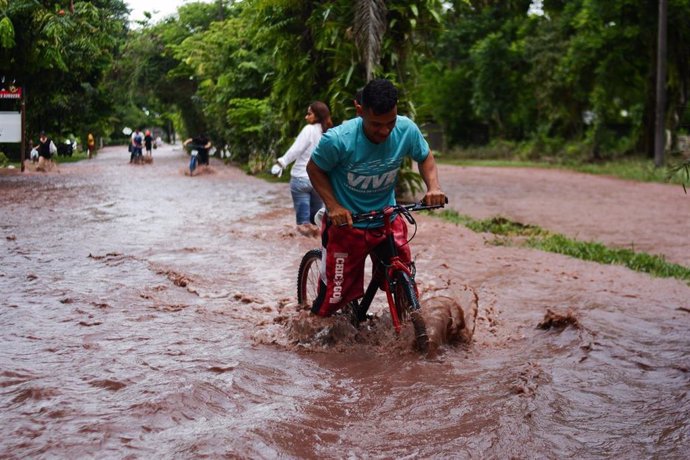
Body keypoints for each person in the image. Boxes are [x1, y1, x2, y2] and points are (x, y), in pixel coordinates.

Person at [306, 78, 446, 317]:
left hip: (386, 220)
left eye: (390, 123)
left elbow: (425, 156)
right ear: (360, 110)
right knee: (333, 299)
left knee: (405, 284)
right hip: (347, 225)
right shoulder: (338, 139)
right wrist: (333, 206)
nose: (385, 131)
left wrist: (433, 187)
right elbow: (314, 169)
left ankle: (408, 324)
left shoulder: (406, 129)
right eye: (376, 124)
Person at [273, 101, 333, 236]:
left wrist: (281, 163)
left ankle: (304, 249)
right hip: (319, 181)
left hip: (301, 179)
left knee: (303, 224)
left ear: (317, 115)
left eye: (309, 114)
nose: (306, 117)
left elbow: (296, 150)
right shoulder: (330, 133)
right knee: (317, 221)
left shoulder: (309, 130)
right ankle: (316, 249)